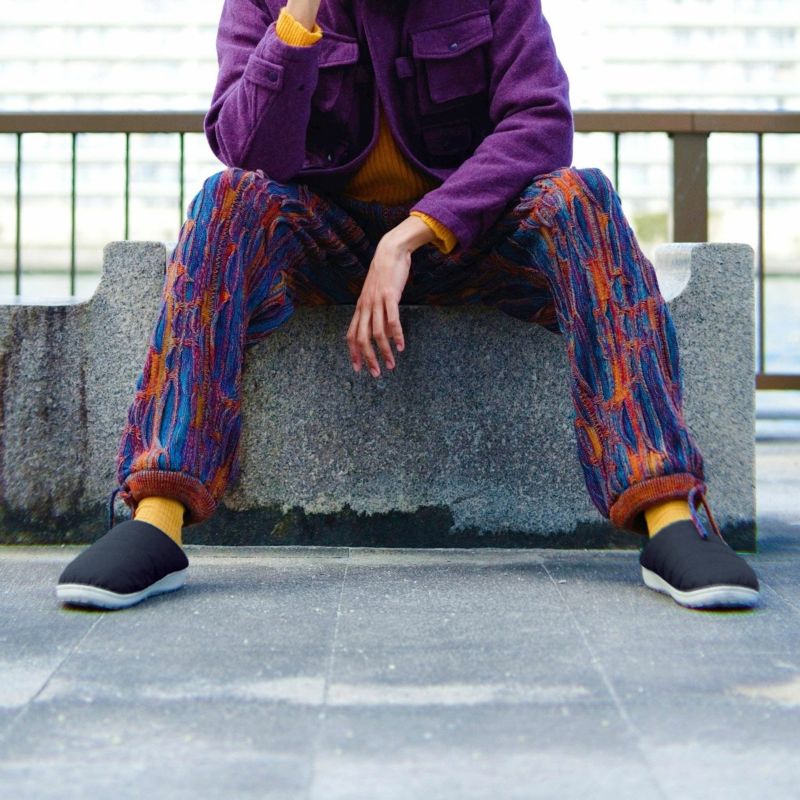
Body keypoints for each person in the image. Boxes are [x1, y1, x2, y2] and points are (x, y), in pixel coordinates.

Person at [56, 0, 759, 611]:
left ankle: (670, 513)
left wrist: (414, 233)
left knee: (583, 198)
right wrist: (299, 19)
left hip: (469, 235)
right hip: (326, 240)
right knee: (226, 201)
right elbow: (249, 150)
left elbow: (541, 122)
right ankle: (156, 517)